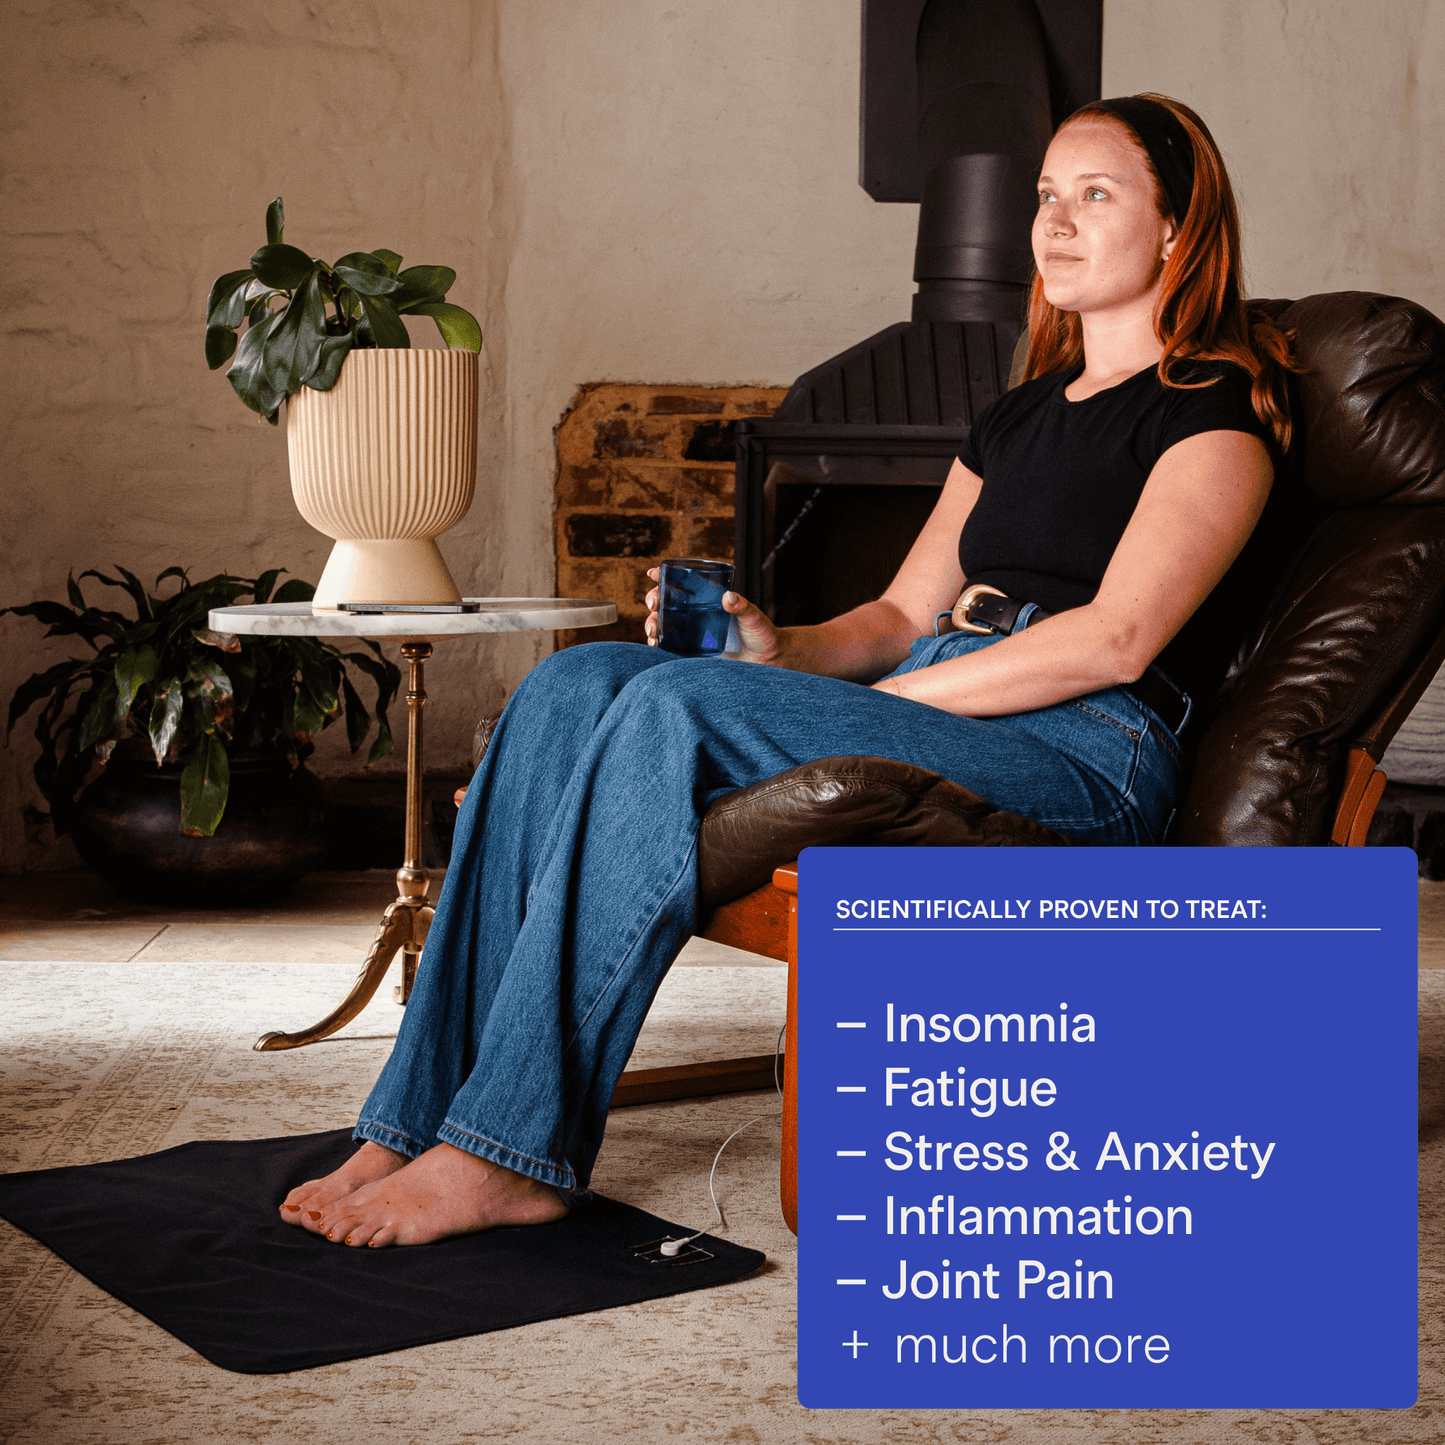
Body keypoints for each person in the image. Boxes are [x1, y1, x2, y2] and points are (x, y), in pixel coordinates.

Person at [279, 93, 1297, 1247]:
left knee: (667, 707)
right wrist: (783, 653)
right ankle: (413, 1119)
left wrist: (882, 700)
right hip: (953, 690)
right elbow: (901, 611)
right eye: (1044, 196)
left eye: (1094, 195)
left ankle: (506, 1152)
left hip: (1080, 745)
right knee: (577, 682)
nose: (1053, 221)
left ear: (1176, 226)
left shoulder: (1212, 410)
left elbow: (1115, 637)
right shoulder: (1013, 418)